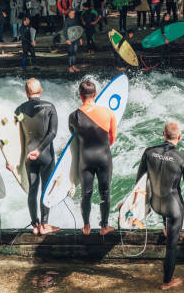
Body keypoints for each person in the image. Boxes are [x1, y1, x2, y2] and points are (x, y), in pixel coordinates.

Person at [135, 122, 184, 290]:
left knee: (162, 189)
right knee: (172, 245)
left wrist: (133, 204)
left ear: (164, 134)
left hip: (155, 205)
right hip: (173, 209)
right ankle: (167, 281)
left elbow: (139, 181)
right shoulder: (183, 159)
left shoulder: (149, 152)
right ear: (180, 137)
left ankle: (164, 227)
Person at [8, 78, 60, 235]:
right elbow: (52, 133)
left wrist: (9, 160)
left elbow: (13, 138)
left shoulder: (19, 110)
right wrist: (40, 149)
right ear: (41, 90)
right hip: (45, 155)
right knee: (45, 190)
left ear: (26, 92)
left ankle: (35, 225)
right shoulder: (49, 107)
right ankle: (44, 225)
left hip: (28, 156)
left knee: (32, 190)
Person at [69, 80, 117, 236]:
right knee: (105, 193)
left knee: (86, 194)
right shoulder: (108, 113)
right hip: (103, 157)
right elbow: (112, 138)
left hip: (85, 159)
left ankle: (86, 226)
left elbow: (74, 137)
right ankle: (104, 227)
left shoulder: (73, 116)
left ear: (80, 96)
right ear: (95, 94)